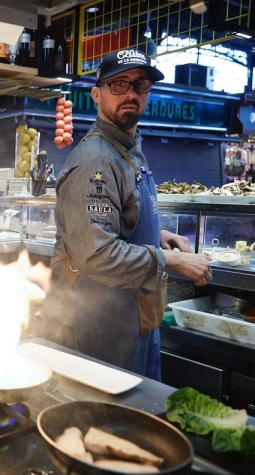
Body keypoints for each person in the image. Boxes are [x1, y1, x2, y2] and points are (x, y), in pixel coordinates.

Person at [39, 49, 212, 380]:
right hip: (97, 327)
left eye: (140, 84)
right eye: (118, 84)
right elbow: (97, 254)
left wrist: (157, 235)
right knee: (103, 424)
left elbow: (117, 222)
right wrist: (172, 260)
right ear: (96, 93)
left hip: (134, 317)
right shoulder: (96, 162)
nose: (131, 93)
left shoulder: (129, 151)